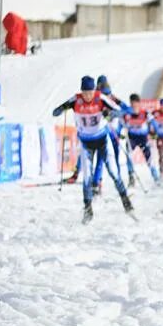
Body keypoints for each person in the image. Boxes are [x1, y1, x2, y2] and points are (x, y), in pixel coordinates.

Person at [51, 76, 135, 223]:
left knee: (114, 173)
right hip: (86, 144)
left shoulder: (100, 98)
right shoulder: (76, 100)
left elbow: (123, 111)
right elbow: (57, 110)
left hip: (102, 141)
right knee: (87, 177)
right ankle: (88, 209)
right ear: (81, 91)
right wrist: (60, 109)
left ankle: (126, 202)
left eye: (90, 92)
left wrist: (111, 113)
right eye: (85, 92)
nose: (88, 96)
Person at [122, 94, 161, 187]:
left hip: (143, 138)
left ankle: (156, 178)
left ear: (139, 103)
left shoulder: (145, 113)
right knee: (129, 156)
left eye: (135, 104)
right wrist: (121, 133)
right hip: (131, 138)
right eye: (132, 104)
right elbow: (121, 123)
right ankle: (131, 178)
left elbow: (154, 123)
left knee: (149, 158)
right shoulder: (127, 113)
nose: (133, 106)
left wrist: (155, 132)